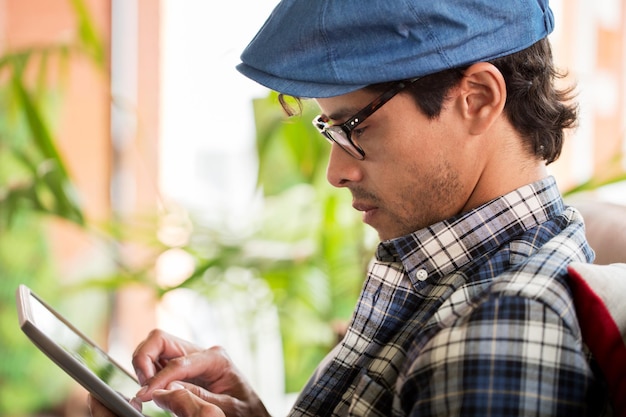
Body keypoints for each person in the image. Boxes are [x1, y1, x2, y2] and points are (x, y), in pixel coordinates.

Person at [89, 0, 612, 416]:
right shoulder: (464, 275)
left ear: (476, 97)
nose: (334, 171)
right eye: (329, 129)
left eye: (355, 126)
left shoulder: (497, 333)